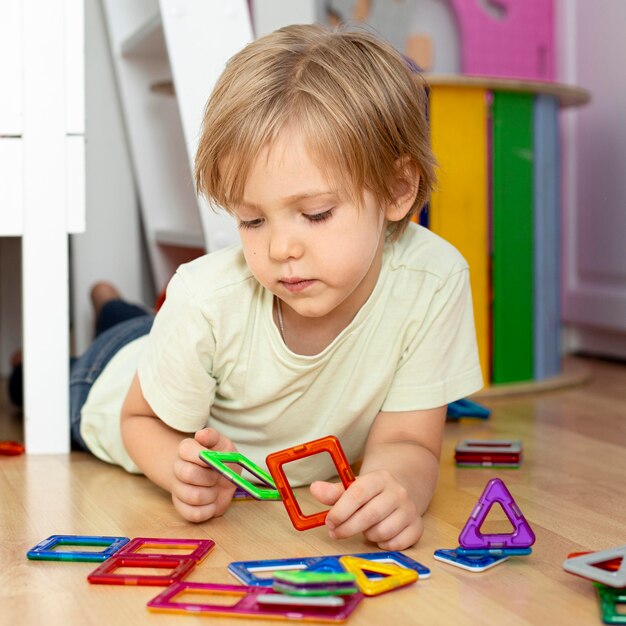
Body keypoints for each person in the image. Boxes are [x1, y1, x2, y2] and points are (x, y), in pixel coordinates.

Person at [21, 24, 483, 550]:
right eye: (252, 221)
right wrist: (178, 472)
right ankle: (80, 327)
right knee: (43, 379)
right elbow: (139, 417)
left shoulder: (434, 279)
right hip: (108, 384)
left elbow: (407, 441)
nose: (281, 249)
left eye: (315, 214)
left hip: (183, 349)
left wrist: (396, 487)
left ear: (399, 190)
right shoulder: (204, 295)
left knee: (143, 325)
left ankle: (112, 304)